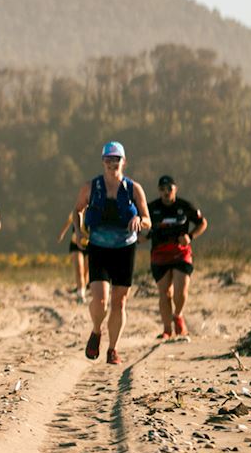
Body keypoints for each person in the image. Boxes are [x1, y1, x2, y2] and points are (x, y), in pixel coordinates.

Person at [71, 141, 151, 365]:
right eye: (108, 159)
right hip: (98, 247)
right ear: (102, 161)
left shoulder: (134, 189)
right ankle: (96, 331)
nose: (112, 163)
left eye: (116, 159)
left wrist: (138, 220)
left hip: (125, 249)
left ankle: (113, 349)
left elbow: (148, 220)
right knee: (101, 299)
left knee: (120, 301)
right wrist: (78, 232)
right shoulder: (91, 187)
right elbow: (77, 209)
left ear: (124, 162)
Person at [148, 174, 207, 340]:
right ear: (159, 191)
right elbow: (141, 222)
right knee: (164, 293)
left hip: (181, 251)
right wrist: (142, 236)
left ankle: (178, 315)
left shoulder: (184, 206)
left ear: (175, 189)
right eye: (162, 189)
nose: (166, 192)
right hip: (159, 253)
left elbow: (202, 223)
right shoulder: (152, 207)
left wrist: (190, 236)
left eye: (169, 189)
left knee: (180, 291)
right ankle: (167, 330)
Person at [56, 209, 89, 303]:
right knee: (79, 268)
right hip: (76, 244)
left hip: (90, 245)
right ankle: (81, 295)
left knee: (86, 272)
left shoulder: (96, 210)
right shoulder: (77, 210)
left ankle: (82, 289)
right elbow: (68, 222)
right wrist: (61, 234)